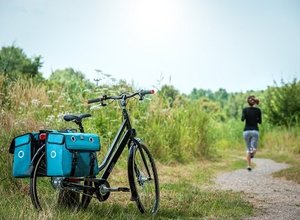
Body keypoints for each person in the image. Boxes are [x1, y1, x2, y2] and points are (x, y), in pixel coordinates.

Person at [241, 95, 262, 171]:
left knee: (248, 148)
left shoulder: (245, 110)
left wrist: (246, 116)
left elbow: (242, 119)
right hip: (255, 131)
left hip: (246, 131)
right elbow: (260, 122)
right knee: (253, 148)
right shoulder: (258, 110)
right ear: (255, 101)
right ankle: (253, 151)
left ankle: (249, 166)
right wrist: (255, 119)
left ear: (248, 102)